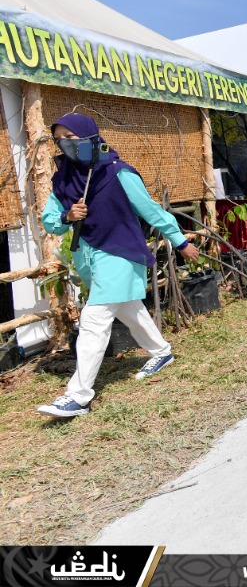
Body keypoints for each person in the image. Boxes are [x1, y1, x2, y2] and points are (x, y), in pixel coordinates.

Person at [37, 114, 200, 418]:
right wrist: (67, 216)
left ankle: (78, 396)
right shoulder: (63, 179)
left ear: (90, 137)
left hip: (121, 252)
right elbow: (50, 221)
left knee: (94, 318)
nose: (65, 144)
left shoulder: (118, 172)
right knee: (128, 308)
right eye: (59, 139)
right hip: (90, 257)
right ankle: (161, 352)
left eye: (71, 137)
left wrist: (180, 242)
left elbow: (151, 210)